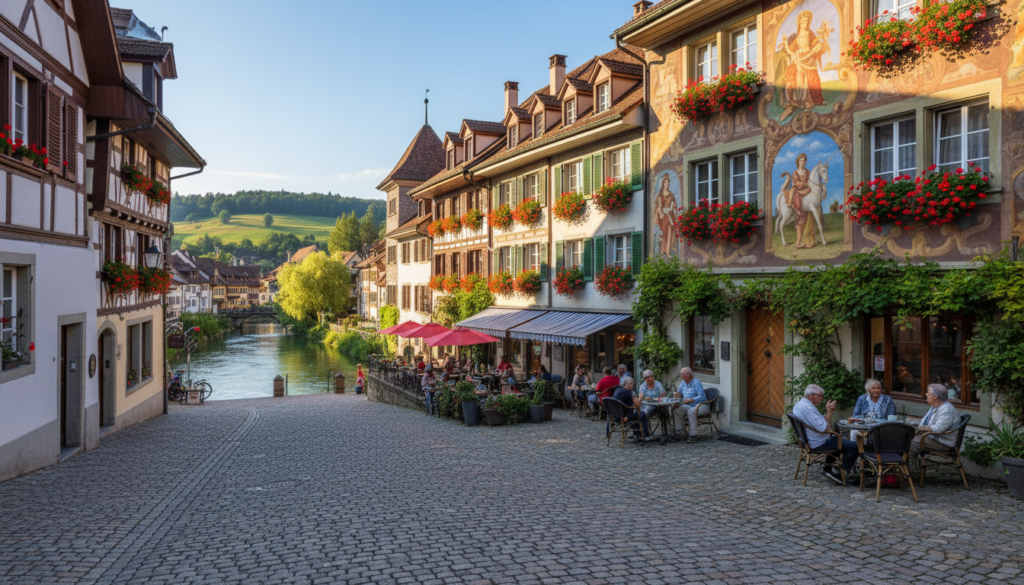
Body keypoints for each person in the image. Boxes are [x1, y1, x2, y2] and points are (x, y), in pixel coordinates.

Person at [792, 384, 857, 484]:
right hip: (818, 442)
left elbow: (820, 423)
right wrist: (830, 412)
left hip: (810, 440)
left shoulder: (800, 404)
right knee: (855, 446)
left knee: (837, 439)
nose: (822, 399)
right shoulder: (808, 408)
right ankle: (843, 473)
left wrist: (827, 412)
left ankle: (829, 468)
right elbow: (825, 428)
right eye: (820, 396)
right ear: (812, 396)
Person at [910, 384, 961, 456]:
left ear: (935, 397)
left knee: (911, 444)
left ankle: (910, 466)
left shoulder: (946, 409)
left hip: (943, 443)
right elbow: (924, 421)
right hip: (934, 438)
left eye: (928, 393)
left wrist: (921, 428)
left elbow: (939, 428)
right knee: (906, 438)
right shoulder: (935, 406)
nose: (926, 394)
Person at [671, 367, 708, 443]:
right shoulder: (683, 383)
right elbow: (679, 393)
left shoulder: (696, 382)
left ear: (690, 375)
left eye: (685, 374)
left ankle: (693, 435)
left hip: (701, 405)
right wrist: (677, 395)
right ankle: (680, 431)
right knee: (676, 409)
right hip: (689, 405)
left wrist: (691, 400)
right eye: (682, 375)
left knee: (691, 412)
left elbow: (702, 397)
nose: (683, 377)